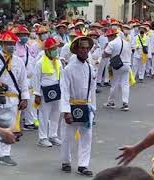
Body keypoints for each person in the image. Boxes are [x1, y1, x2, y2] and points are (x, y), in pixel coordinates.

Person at [60, 36, 96, 177]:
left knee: (86, 136)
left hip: (86, 107)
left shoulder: (89, 67)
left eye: (87, 48)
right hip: (71, 106)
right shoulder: (68, 69)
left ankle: (83, 165)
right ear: (76, 49)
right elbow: (64, 90)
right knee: (67, 136)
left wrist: (93, 108)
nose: (85, 50)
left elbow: (92, 89)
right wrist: (66, 111)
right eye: (82, 48)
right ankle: (65, 161)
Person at [0, 31, 29, 166]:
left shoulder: (19, 61)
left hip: (12, 99)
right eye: (8, 43)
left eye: (12, 43)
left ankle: (5, 154)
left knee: (8, 126)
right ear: (1, 44)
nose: (11, 46)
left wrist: (25, 98)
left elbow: (23, 81)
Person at [33, 37, 62, 147]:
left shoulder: (58, 62)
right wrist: (37, 94)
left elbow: (62, 77)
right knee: (44, 115)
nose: (55, 50)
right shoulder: (40, 63)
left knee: (56, 114)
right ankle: (42, 138)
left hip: (57, 91)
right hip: (44, 92)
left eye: (56, 48)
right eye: (53, 49)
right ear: (47, 50)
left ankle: (53, 135)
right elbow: (36, 78)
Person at [12, 25, 38, 130]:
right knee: (17, 103)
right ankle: (14, 126)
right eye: (22, 35)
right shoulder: (14, 47)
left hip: (29, 78)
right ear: (17, 36)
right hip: (18, 79)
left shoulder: (27, 47)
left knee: (29, 101)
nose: (24, 37)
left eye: (26, 35)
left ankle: (29, 122)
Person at [103, 29, 131, 111]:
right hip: (127, 64)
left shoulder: (112, 43)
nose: (107, 39)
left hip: (117, 65)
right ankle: (125, 103)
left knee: (114, 84)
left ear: (111, 36)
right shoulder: (126, 42)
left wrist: (105, 49)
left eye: (108, 37)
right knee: (125, 84)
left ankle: (111, 102)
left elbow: (105, 54)